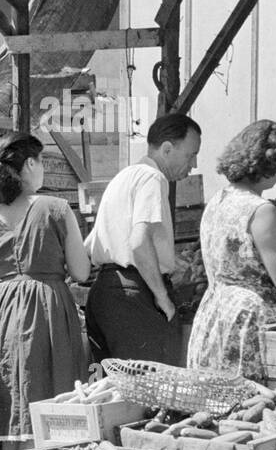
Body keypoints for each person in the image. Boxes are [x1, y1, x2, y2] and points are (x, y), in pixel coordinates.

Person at [0, 134, 91, 450]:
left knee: (14, 422)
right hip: (49, 312)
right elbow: (82, 271)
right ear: (31, 166)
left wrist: (3, 296)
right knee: (56, 406)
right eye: (41, 161)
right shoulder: (56, 207)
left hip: (1, 317)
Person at [85, 113, 202, 366]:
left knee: (121, 391)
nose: (193, 165)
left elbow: (94, 242)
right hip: (135, 294)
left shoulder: (124, 177)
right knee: (151, 388)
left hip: (106, 292)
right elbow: (138, 243)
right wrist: (162, 297)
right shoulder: (153, 177)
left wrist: (165, 258)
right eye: (190, 155)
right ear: (168, 148)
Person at [188, 121, 276, 380]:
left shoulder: (218, 200)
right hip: (252, 324)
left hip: (216, 317)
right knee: (256, 409)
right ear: (269, 166)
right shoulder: (260, 210)